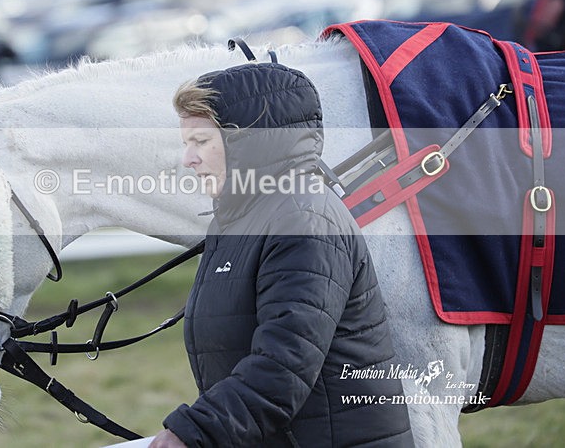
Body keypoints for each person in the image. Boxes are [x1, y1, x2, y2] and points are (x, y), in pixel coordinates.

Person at [151, 61, 413, 447]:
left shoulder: (303, 217)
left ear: (248, 141)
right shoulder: (237, 219)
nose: (188, 159)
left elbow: (284, 362)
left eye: (202, 142)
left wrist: (195, 433)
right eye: (186, 144)